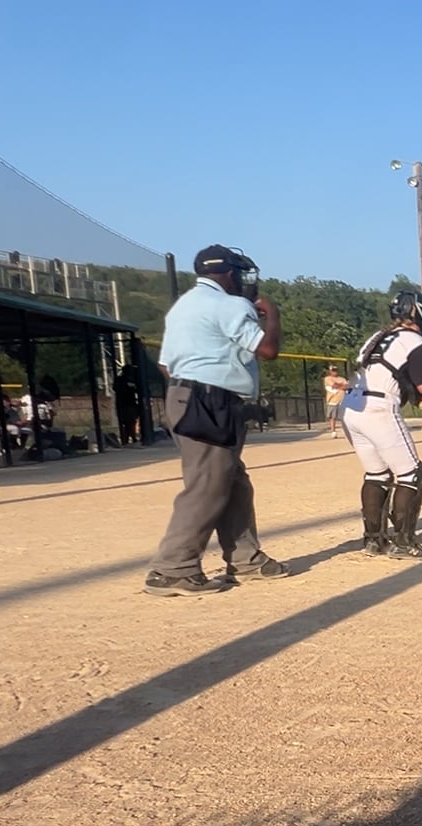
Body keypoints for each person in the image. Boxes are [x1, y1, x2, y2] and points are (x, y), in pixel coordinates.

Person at [144, 245, 287, 596]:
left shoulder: (184, 305)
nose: (243, 280)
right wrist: (273, 316)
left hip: (184, 396)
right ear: (229, 274)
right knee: (207, 485)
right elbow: (267, 350)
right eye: (239, 273)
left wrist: (189, 389)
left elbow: (164, 364)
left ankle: (245, 558)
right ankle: (173, 568)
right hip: (210, 401)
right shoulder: (230, 304)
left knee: (233, 482)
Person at [341, 290, 422, 558]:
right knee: (412, 475)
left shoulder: (377, 338)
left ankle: (373, 541)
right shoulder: (414, 340)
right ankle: (403, 543)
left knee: (377, 475)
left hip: (351, 408)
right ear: (418, 315)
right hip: (378, 408)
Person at [322, 365, 347, 438]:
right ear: (330, 371)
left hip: (342, 400)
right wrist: (341, 385)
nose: (335, 372)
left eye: (335, 370)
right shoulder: (327, 378)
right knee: (333, 417)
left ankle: (345, 431)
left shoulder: (342, 378)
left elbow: (346, 386)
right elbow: (334, 385)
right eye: (333, 370)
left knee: (344, 417)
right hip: (332, 400)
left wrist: (338, 385)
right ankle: (333, 431)